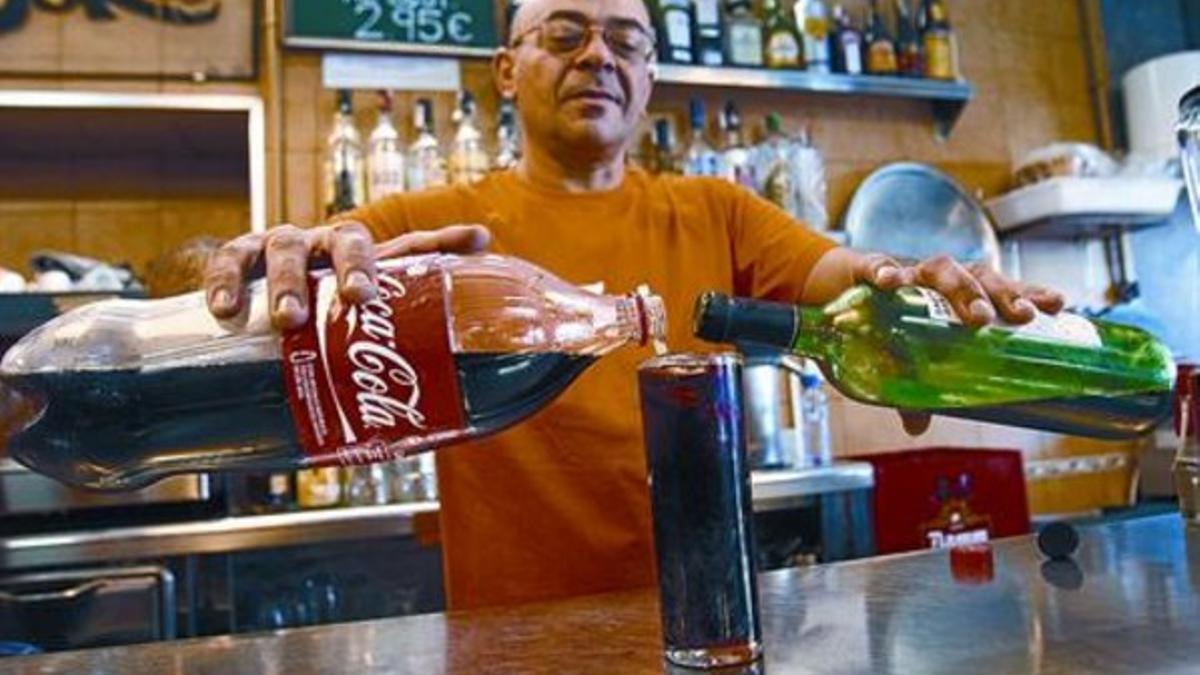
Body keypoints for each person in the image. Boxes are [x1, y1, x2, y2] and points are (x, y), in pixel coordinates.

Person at [203, 0, 1063, 610]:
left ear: (650, 73)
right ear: (507, 70)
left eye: (625, 39)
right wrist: (267, 263)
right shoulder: (435, 226)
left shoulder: (715, 212)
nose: (597, 57)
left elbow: (851, 276)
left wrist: (918, 285)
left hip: (701, 616)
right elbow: (312, 262)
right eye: (566, 34)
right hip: (511, 631)